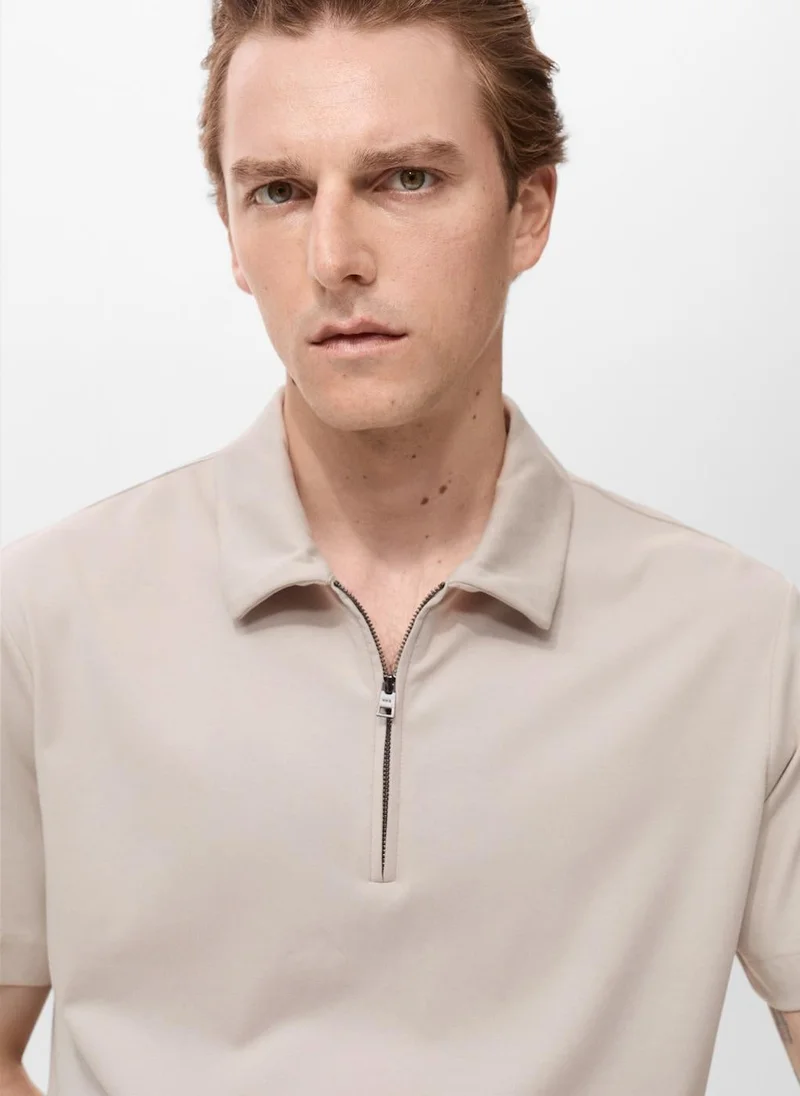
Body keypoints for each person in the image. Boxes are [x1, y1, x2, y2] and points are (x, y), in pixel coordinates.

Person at [1, 1, 798, 1093]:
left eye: (405, 179)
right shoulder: (47, 615)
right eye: (278, 192)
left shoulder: (741, 643)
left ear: (528, 212)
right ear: (231, 234)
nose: (334, 258)